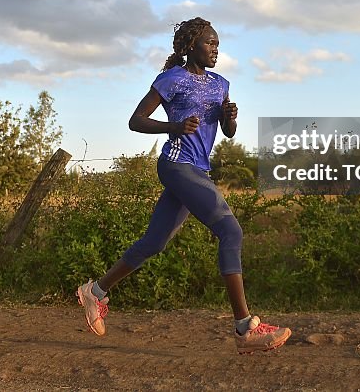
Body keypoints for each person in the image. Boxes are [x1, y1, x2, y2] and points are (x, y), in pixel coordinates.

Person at [76, 17, 291, 354]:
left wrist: (230, 118)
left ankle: (96, 292)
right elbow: (136, 120)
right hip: (176, 164)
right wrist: (173, 125)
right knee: (231, 232)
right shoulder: (172, 79)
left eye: (218, 45)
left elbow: (228, 132)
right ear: (191, 45)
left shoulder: (221, 84)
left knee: (154, 242)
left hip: (197, 170)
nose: (216, 50)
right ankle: (245, 328)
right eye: (210, 43)